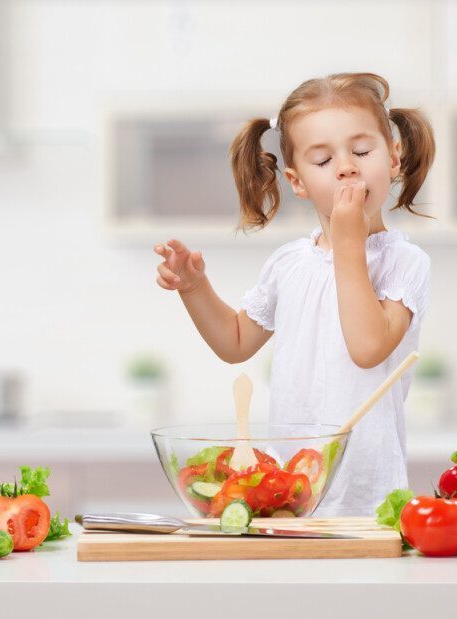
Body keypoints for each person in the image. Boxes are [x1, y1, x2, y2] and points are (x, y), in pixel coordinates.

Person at [153, 72, 435, 516]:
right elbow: (235, 342)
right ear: (297, 181)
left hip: (369, 497)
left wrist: (348, 244)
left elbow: (367, 347)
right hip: (290, 490)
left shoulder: (405, 262)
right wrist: (194, 287)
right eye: (323, 161)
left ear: (394, 157)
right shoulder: (289, 263)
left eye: (362, 151)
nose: (347, 167)